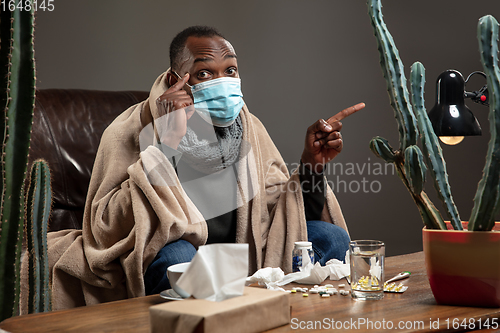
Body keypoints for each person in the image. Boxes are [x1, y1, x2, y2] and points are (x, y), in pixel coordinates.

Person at [43, 25, 365, 310]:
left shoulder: (250, 129)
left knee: (331, 238)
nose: (223, 82)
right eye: (205, 74)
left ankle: (271, 316)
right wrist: (165, 147)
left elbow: (286, 220)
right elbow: (106, 229)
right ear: (175, 80)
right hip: (181, 261)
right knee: (178, 258)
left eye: (231, 71)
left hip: (245, 263)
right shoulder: (128, 131)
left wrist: (311, 165)